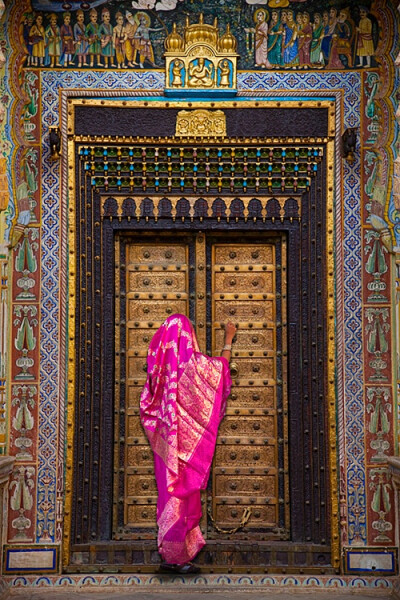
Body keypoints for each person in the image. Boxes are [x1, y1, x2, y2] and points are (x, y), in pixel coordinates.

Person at [140, 314, 236, 573]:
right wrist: (228, 339)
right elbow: (220, 372)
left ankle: (172, 554)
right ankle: (175, 558)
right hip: (185, 448)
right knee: (182, 496)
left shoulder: (157, 375)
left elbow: (147, 406)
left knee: (169, 495)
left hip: (166, 447)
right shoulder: (192, 368)